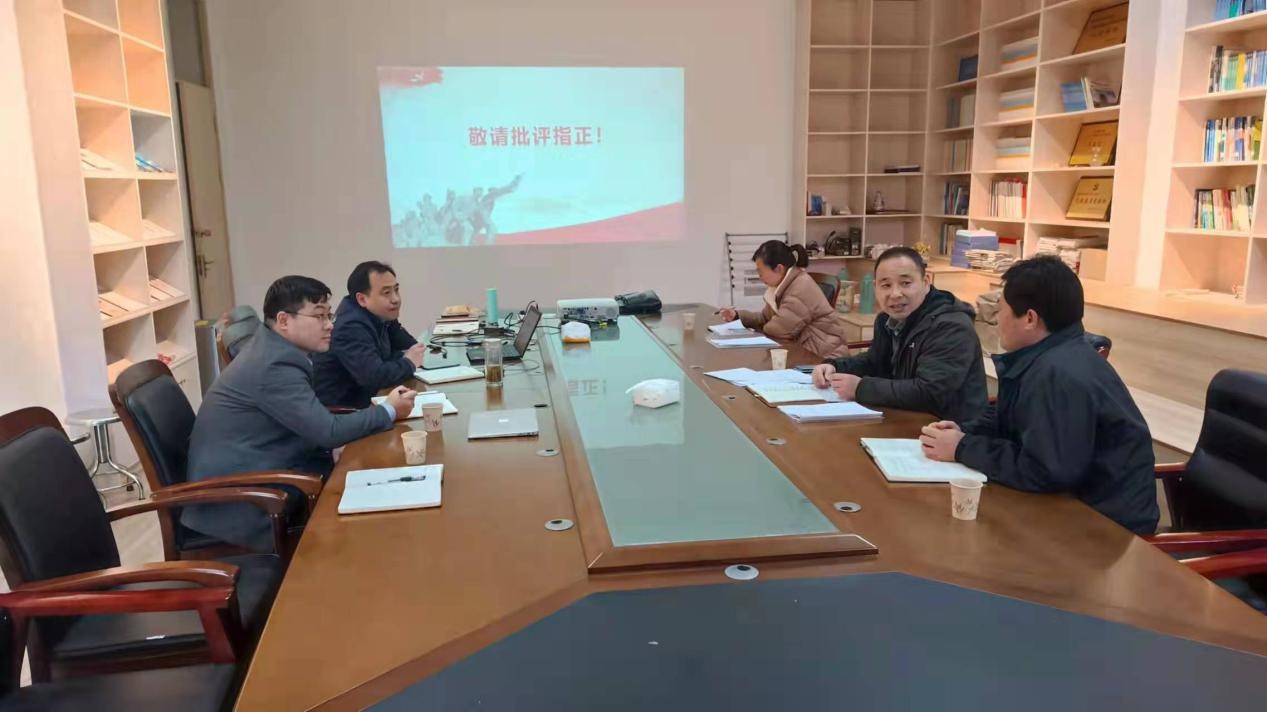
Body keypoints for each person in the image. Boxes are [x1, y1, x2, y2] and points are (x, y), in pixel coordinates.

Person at [919, 256, 1159, 535]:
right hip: (1071, 505)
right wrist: (964, 433)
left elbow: (1044, 470)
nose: (997, 319)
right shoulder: (1048, 355)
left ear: (1030, 319)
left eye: (1001, 310)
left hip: (1105, 529)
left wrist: (962, 448)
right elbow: (1011, 419)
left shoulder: (1059, 374)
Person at [185, 275, 416, 550]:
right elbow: (328, 431)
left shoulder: (275, 349)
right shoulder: (274, 365)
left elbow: (308, 420)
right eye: (319, 316)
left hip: (266, 471)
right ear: (284, 320)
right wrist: (389, 410)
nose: (330, 325)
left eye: (329, 315)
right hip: (243, 504)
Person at [811, 246, 987, 423]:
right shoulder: (887, 319)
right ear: (875, 287)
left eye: (905, 283)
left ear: (926, 282)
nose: (895, 294)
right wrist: (835, 366)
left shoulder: (950, 326)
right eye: (886, 285)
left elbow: (930, 393)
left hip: (952, 430)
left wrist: (860, 388)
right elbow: (874, 362)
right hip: (904, 418)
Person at [314, 261, 426, 408]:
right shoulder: (350, 326)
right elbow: (374, 377)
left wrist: (405, 358)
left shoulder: (381, 314)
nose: (395, 299)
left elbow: (410, 346)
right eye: (386, 293)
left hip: (371, 398)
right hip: (345, 410)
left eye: (396, 290)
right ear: (362, 299)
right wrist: (408, 363)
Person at [718, 241, 849, 359]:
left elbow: (778, 330)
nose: (759, 277)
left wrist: (756, 331)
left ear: (779, 269)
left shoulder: (801, 287)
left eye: (761, 272)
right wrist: (737, 316)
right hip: (801, 351)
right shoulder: (782, 285)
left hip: (824, 358)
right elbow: (764, 318)